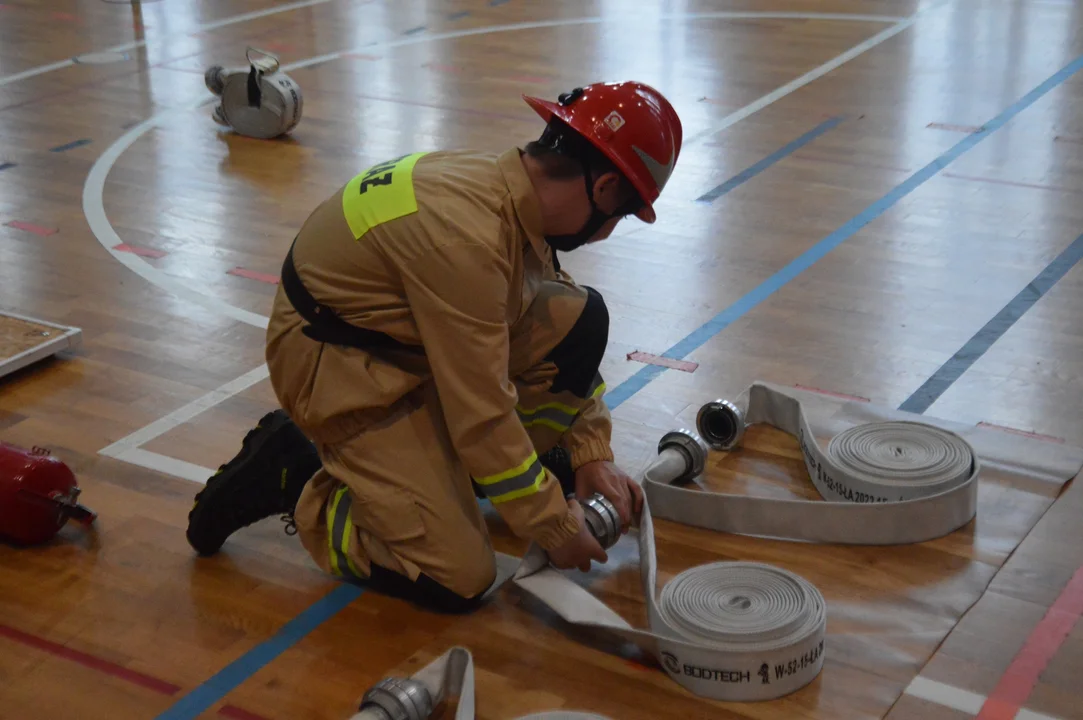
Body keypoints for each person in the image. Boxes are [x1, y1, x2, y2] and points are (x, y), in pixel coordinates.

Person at [185, 81, 683, 613]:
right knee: (459, 573)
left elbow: (530, 324)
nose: (607, 233)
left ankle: (448, 477)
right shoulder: (466, 240)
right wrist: (555, 526)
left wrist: (589, 452)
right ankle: (298, 476)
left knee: (578, 317)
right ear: (605, 188)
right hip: (334, 365)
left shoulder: (500, 190)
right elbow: (483, 415)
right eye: (622, 216)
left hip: (391, 335)